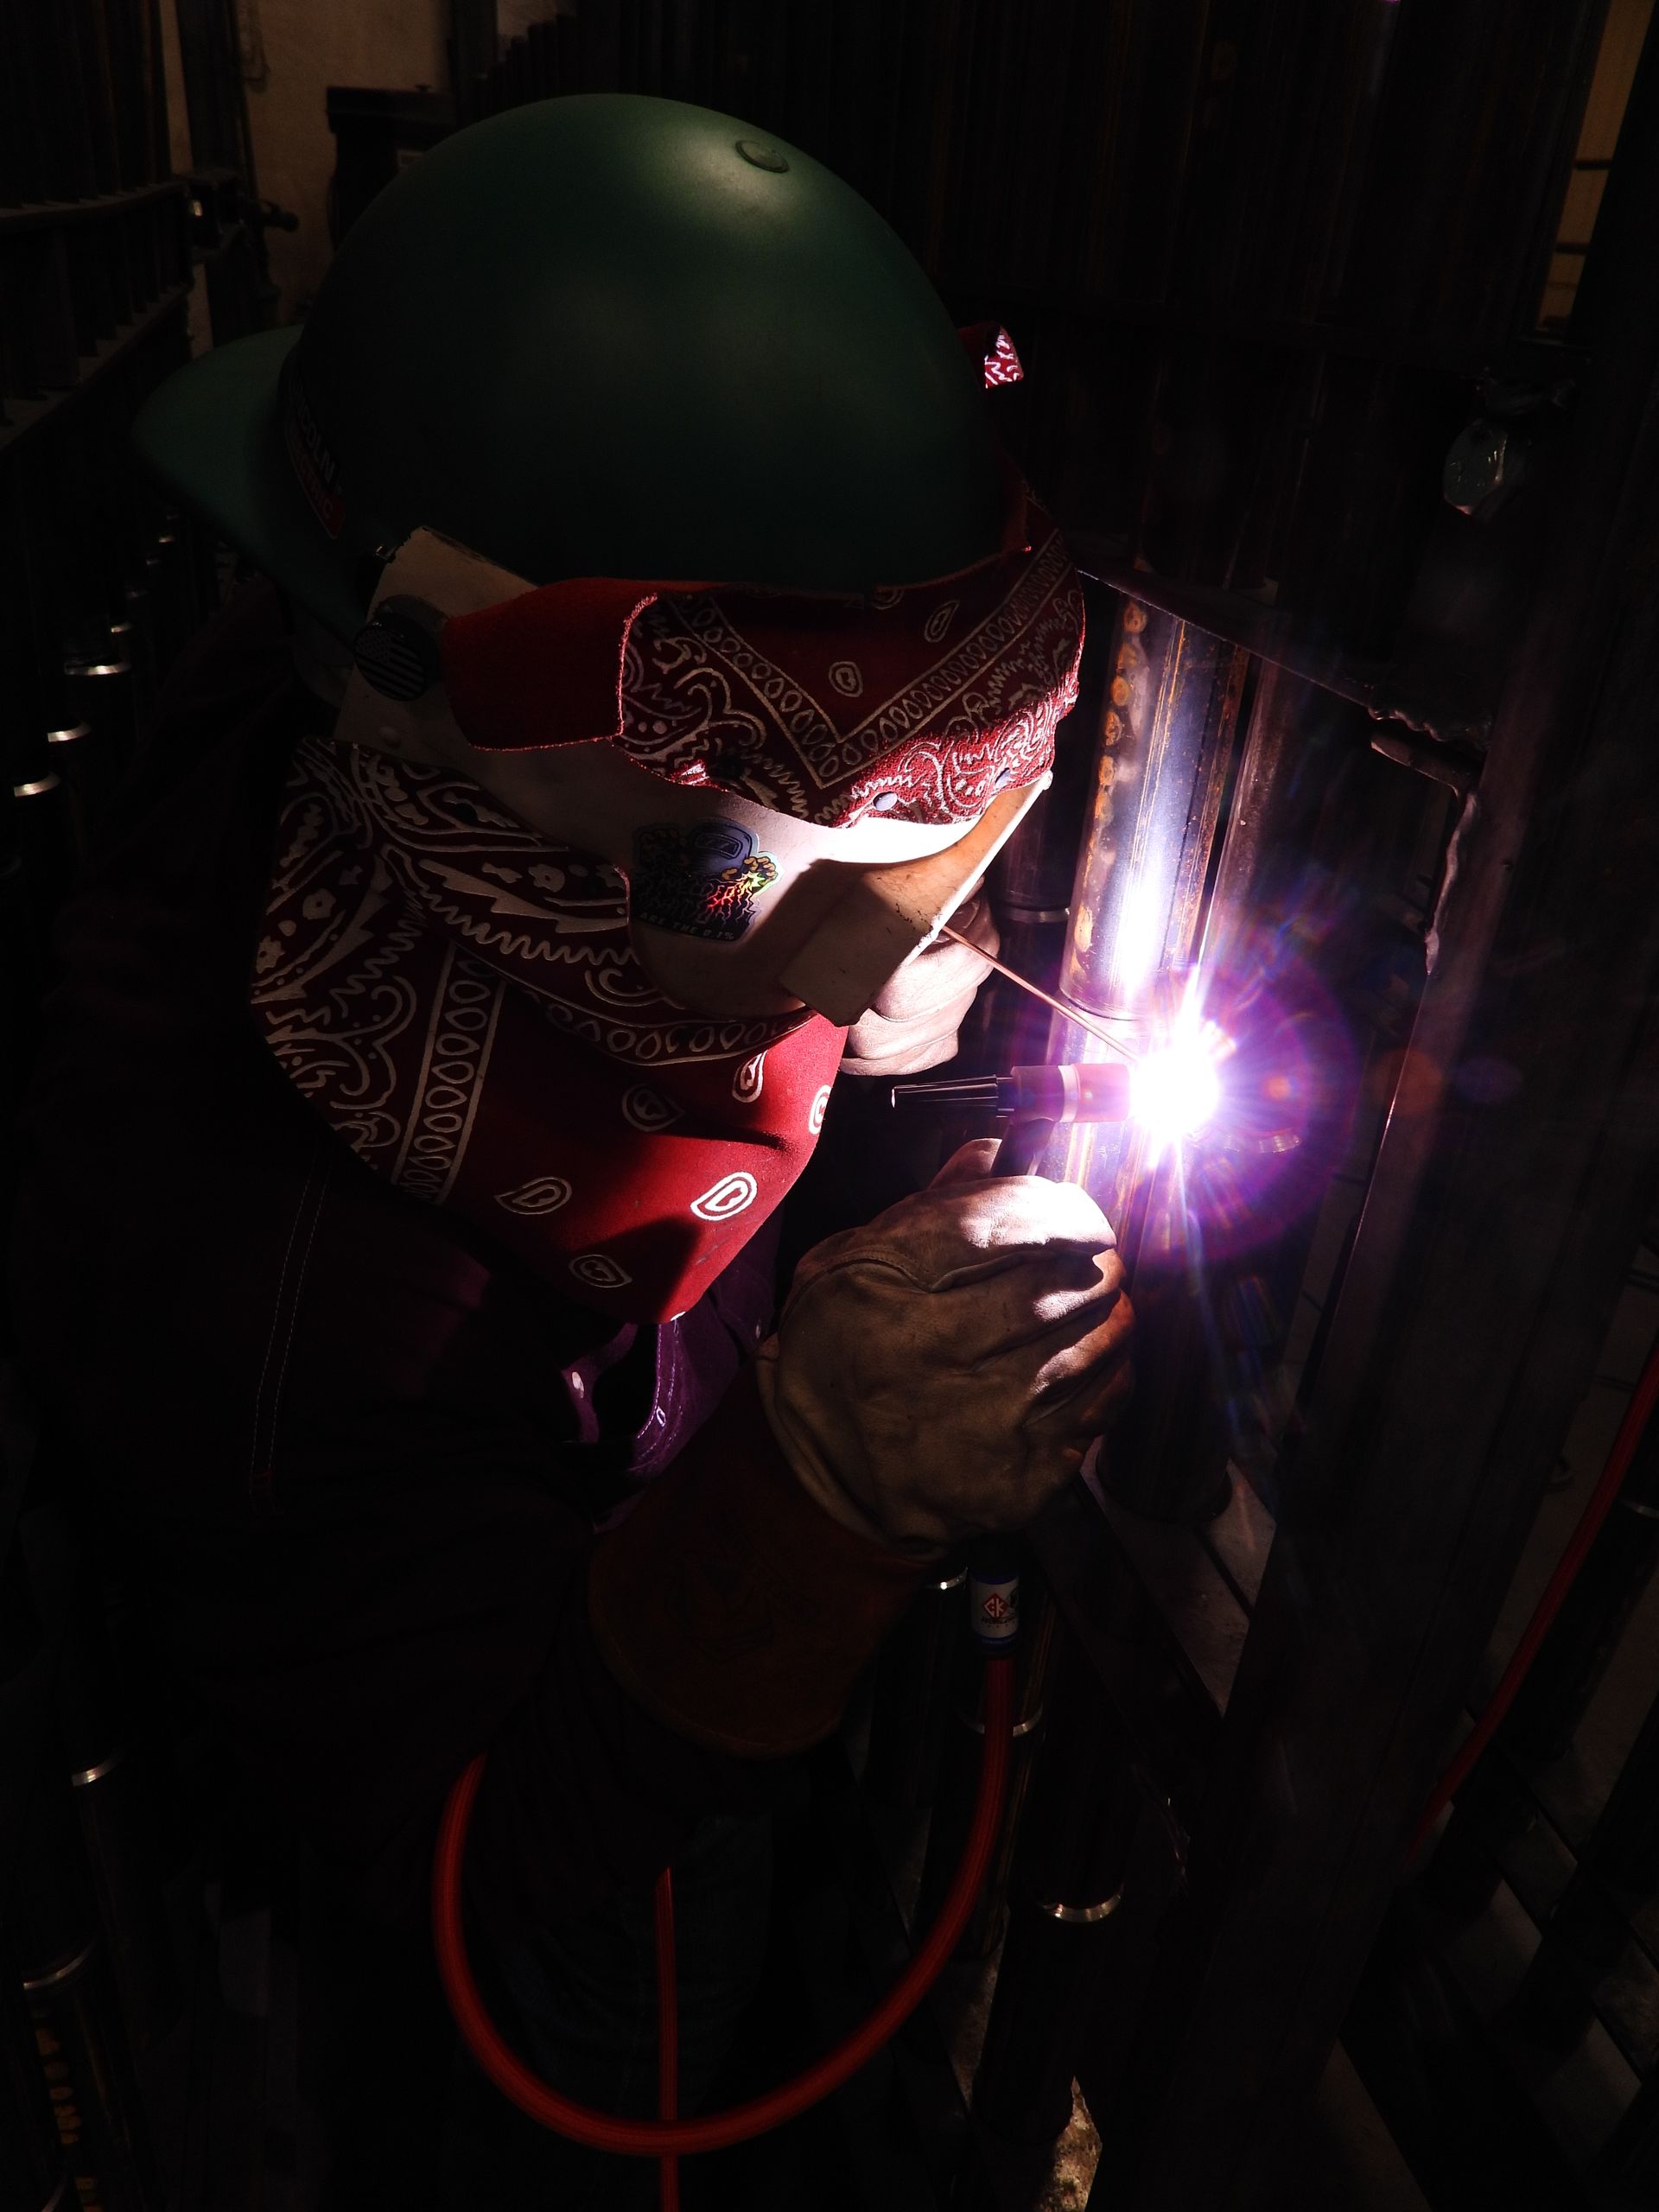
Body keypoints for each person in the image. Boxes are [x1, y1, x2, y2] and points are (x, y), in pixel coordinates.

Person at [8, 95, 1132, 2206]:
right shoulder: (295, 1269)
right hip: (496, 1868)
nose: (897, 923)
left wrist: (836, 978)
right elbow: (474, 1869)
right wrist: (806, 1509)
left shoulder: (405, 780)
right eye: (803, 873)